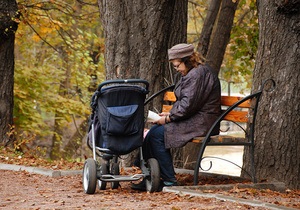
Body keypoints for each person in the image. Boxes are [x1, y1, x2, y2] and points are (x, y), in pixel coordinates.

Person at [132, 43, 221, 190]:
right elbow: (188, 103)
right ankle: (150, 176)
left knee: (157, 135)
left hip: (202, 122)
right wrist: (169, 114)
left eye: (177, 65)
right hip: (194, 117)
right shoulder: (193, 73)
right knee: (153, 132)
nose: (177, 69)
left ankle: (169, 180)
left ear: (187, 60)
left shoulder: (197, 74)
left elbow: (188, 105)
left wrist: (168, 118)